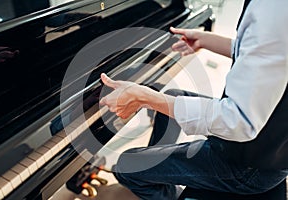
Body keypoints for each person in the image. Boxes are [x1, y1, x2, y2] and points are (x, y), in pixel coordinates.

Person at [99, 0, 288, 199]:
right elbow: (264, 55)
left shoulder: (274, 8)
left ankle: (173, 194)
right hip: (265, 139)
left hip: (248, 166)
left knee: (126, 165)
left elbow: (238, 123)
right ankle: (157, 170)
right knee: (172, 97)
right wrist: (205, 39)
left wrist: (146, 97)